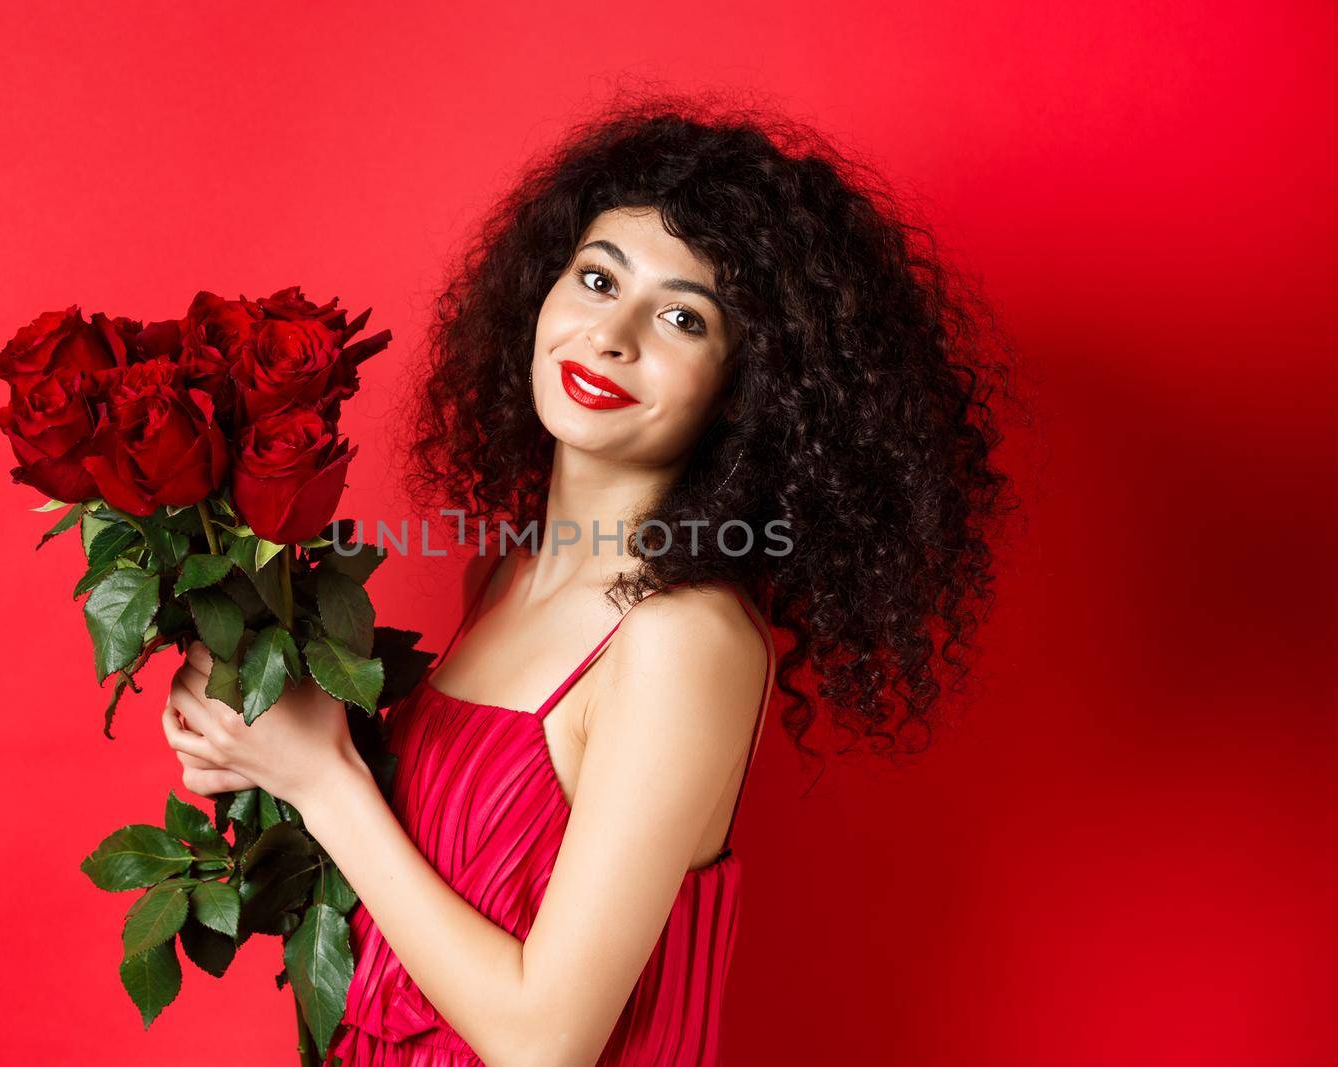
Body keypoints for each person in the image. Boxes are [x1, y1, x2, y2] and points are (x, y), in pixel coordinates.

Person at [160, 89, 1017, 1066]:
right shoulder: (508, 567)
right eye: (599, 279)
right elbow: (448, 872)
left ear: (747, 390)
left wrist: (324, 779)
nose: (614, 335)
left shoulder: (681, 637)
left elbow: (546, 1041)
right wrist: (258, 738)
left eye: (684, 318)